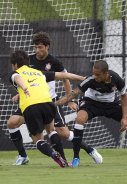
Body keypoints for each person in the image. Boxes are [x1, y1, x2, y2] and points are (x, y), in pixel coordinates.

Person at [8, 31, 102, 166]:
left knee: (63, 132)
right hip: (30, 101)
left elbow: (65, 77)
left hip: (49, 100)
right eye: (35, 47)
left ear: (47, 47)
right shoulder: (29, 61)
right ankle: (23, 156)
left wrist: (70, 99)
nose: (37, 50)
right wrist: (21, 91)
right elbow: (25, 79)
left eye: (40, 47)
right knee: (12, 123)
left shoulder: (54, 62)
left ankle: (89, 149)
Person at [56, 59, 127, 165]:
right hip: (91, 104)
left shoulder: (116, 79)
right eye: (93, 73)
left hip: (111, 105)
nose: (94, 76)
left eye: (97, 74)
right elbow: (74, 93)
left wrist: (124, 118)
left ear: (106, 73)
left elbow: (124, 95)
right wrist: (55, 104)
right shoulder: (90, 80)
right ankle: (76, 158)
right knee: (79, 119)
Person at [9, 49, 86, 167]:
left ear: (14, 65)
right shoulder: (38, 72)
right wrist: (82, 78)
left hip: (31, 106)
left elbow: (17, 78)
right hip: (48, 104)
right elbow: (64, 75)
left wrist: (24, 87)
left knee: (38, 140)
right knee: (51, 131)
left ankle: (53, 155)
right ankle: (64, 161)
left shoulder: (16, 73)